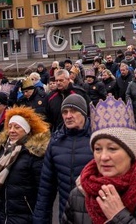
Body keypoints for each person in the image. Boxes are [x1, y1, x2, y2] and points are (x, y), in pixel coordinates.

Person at [64, 96, 136, 223]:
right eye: (98, 149)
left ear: (130, 153)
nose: (103, 157)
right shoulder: (78, 195)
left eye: (112, 148)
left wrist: (119, 217)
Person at [0, 106, 50, 224]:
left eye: (17, 127)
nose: (12, 130)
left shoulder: (34, 154)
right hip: (4, 215)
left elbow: (43, 192)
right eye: (9, 127)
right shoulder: (5, 150)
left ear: (27, 130)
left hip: (25, 216)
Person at [34, 95, 94, 224]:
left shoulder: (98, 140)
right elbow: (46, 189)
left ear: (84, 113)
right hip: (66, 216)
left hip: (95, 216)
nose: (68, 116)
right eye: (65, 112)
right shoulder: (55, 142)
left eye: (73, 111)